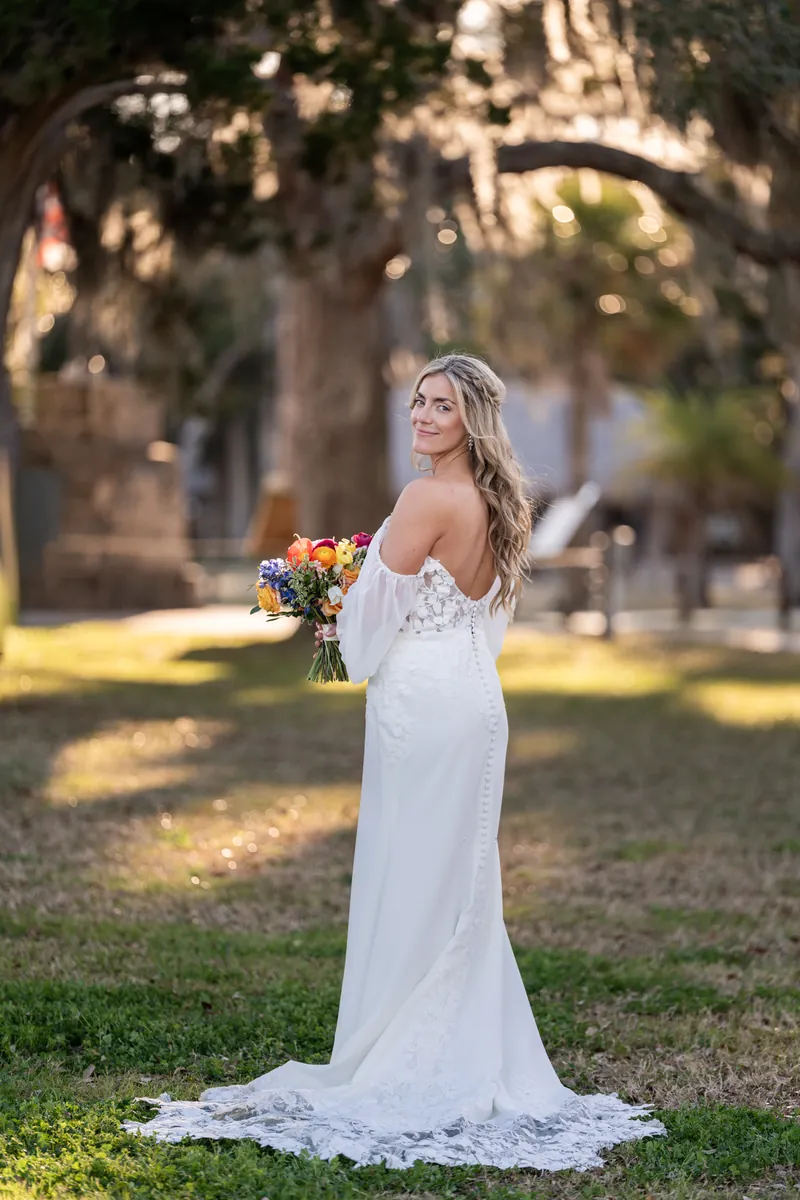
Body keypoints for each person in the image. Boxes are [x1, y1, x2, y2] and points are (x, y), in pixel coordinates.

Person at [124, 354, 665, 1169]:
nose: (421, 415)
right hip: (476, 697)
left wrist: (331, 607)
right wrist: (353, 587)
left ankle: (409, 1054)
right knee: (459, 883)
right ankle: (463, 1044)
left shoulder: (426, 497)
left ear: (469, 419)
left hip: (424, 705)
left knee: (411, 873)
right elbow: (476, 613)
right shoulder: (496, 499)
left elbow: (371, 624)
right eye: (417, 401)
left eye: (440, 406)